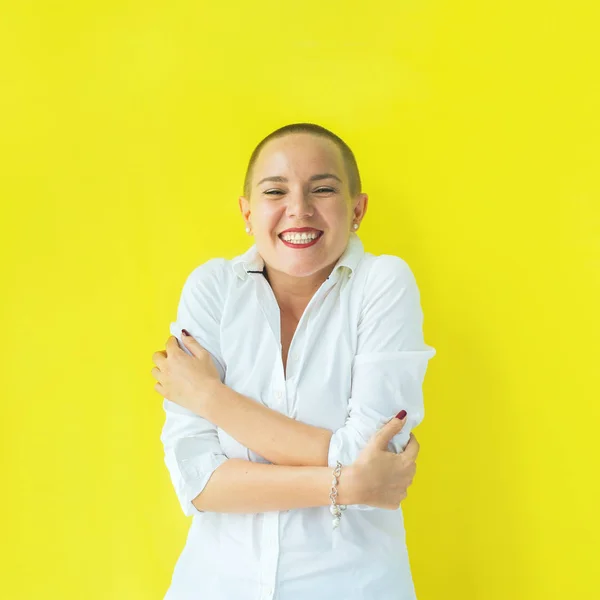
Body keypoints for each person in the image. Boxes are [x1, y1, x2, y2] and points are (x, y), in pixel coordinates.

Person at [151, 123, 437, 600]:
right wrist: (349, 486)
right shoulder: (212, 290)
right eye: (275, 191)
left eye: (322, 189)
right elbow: (198, 480)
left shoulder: (384, 283)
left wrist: (209, 396)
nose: (299, 209)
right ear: (247, 212)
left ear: (357, 209)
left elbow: (368, 453)